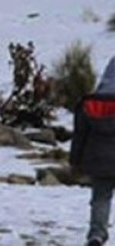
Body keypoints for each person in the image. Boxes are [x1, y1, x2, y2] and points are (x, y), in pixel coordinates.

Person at [71, 57, 115, 246]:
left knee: (100, 198)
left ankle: (96, 235)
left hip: (99, 160)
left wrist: (75, 160)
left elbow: (80, 135)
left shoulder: (89, 104)